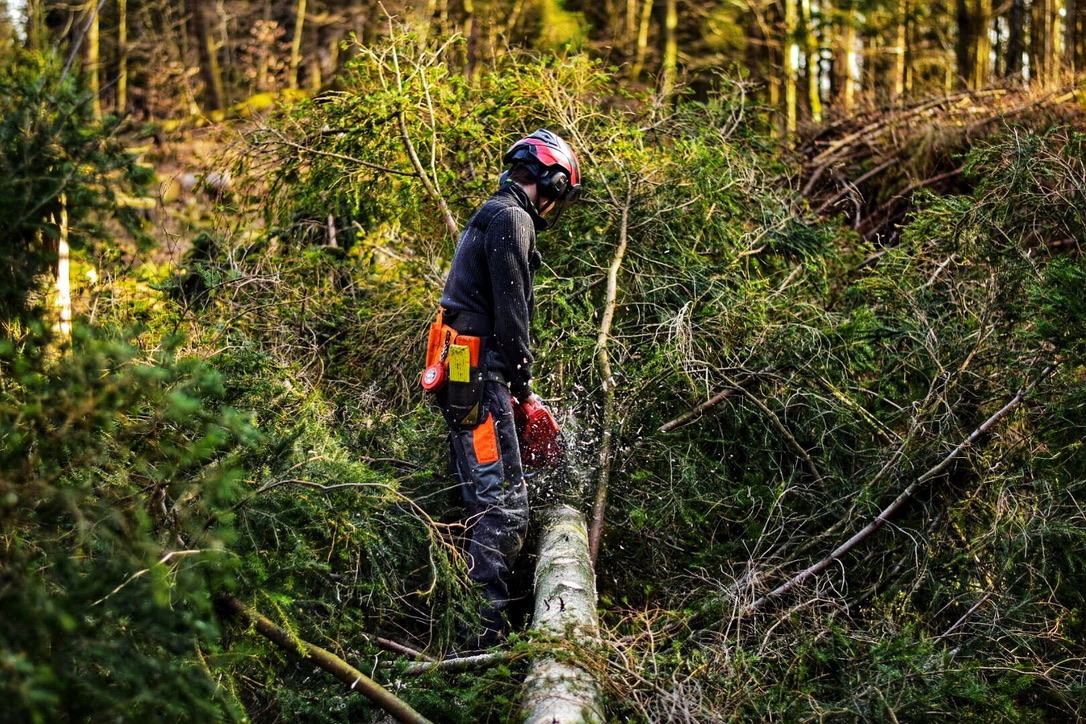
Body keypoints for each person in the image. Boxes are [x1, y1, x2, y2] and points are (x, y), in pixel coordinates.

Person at [434, 128, 581, 650]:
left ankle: (465, 631)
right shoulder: (512, 219)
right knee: (504, 511)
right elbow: (512, 317)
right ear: (550, 181)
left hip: (463, 378)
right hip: (480, 380)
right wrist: (524, 389)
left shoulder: (493, 212)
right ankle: (477, 645)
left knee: (482, 505)